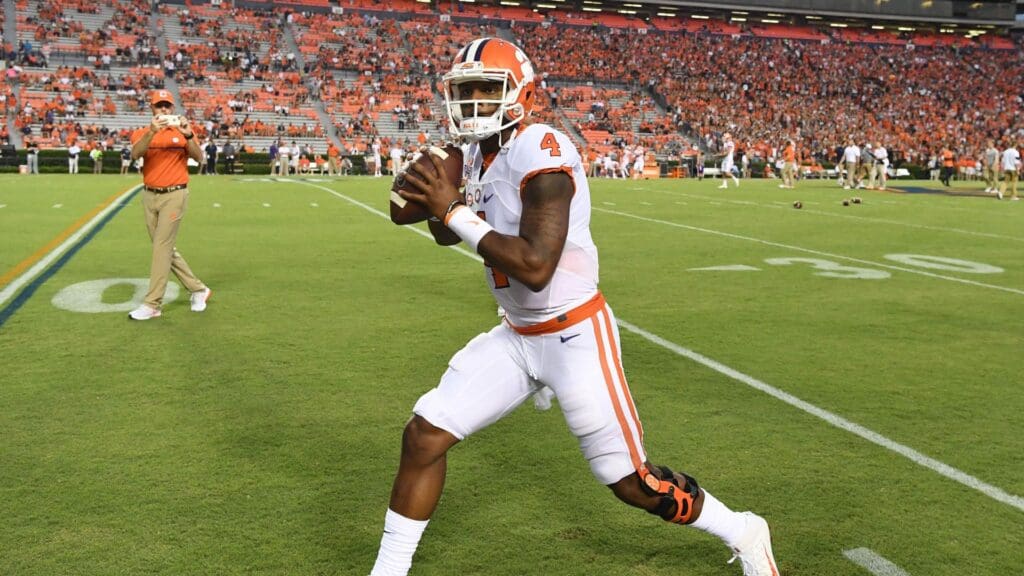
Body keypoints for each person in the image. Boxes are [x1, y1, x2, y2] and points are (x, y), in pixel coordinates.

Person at [371, 37, 779, 576]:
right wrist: (432, 198)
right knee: (424, 435)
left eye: (485, 90)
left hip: (574, 335)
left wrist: (450, 208)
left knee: (633, 484)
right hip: (517, 335)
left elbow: (535, 265)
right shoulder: (474, 154)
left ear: (522, 94)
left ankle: (744, 529)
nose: (471, 102)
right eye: (464, 90)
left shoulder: (541, 146)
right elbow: (439, 228)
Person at [127, 89, 212, 321]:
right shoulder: (143, 132)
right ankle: (198, 289)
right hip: (149, 195)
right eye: (159, 106)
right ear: (151, 108)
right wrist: (151, 133)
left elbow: (199, 158)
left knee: (161, 248)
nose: (163, 109)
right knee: (163, 248)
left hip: (175, 194)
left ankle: (152, 304)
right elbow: (135, 154)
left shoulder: (183, 129)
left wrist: (187, 135)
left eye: (167, 106)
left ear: (172, 108)